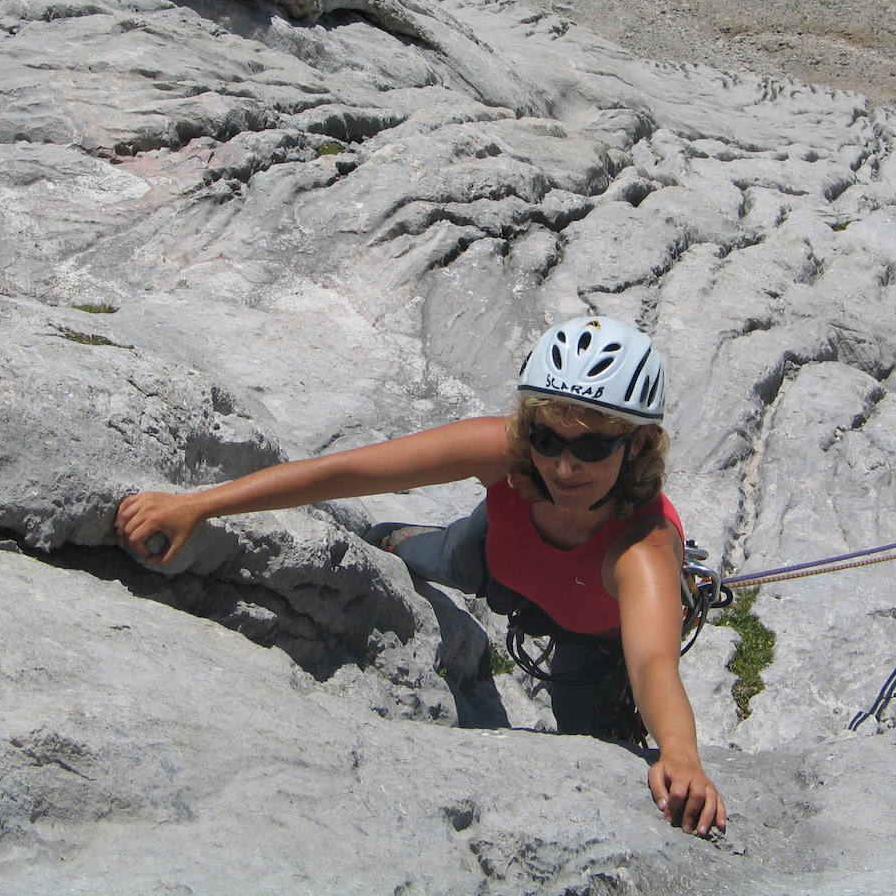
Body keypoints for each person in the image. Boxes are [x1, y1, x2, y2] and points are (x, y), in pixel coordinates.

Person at [116, 316, 726, 836]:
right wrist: (198, 504)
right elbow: (348, 473)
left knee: (588, 734)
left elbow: (651, 664)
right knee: (429, 557)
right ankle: (395, 541)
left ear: (638, 447)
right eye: (547, 437)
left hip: (591, 636)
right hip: (492, 559)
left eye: (593, 447)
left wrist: (679, 754)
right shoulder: (505, 454)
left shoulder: (641, 552)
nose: (564, 465)